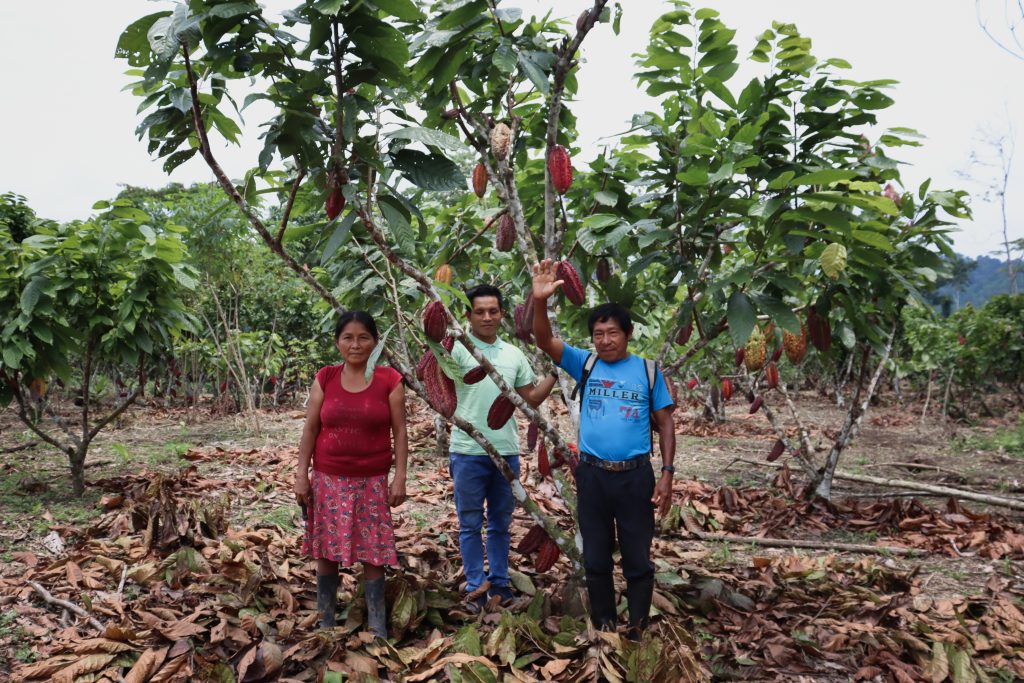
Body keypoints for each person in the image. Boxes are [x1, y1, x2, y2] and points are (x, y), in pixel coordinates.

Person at [530, 259, 676, 638]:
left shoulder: (647, 370)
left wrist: (667, 475)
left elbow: (665, 424)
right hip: (593, 474)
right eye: (598, 333)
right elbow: (543, 339)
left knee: (636, 558)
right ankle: (606, 625)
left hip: (635, 477)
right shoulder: (586, 364)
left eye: (612, 333)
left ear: (627, 335)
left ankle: (638, 627)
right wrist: (540, 300)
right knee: (595, 557)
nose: (605, 340)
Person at [294, 311, 408, 637]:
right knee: (326, 551)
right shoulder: (326, 377)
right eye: (348, 337)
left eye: (363, 338)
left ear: (375, 342)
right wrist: (302, 474)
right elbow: (311, 428)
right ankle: (326, 622)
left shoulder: (390, 379)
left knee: (373, 552)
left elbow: (400, 433)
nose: (355, 344)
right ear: (337, 342)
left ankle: (376, 626)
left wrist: (399, 477)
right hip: (328, 478)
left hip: (372, 480)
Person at [449, 284, 557, 611]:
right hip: (467, 450)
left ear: (502, 315)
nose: (486, 317)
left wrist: (555, 372)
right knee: (469, 523)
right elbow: (435, 387)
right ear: (467, 316)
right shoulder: (454, 350)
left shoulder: (513, 354)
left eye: (492, 311)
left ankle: (499, 584)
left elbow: (531, 398)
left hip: (506, 450)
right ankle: (474, 587)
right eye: (479, 311)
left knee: (500, 523)